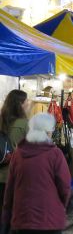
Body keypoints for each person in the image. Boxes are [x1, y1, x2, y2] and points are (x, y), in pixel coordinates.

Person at [2, 113, 71, 234]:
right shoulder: (55, 154)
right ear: (48, 132)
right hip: (49, 220)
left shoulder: (18, 154)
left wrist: (7, 215)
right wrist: (61, 206)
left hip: (22, 219)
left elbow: (10, 189)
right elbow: (65, 186)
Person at [0, 90, 30, 219]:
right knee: (14, 216)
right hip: (16, 176)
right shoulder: (25, 124)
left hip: (1, 174)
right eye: (26, 101)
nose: (29, 103)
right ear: (20, 104)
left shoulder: (1, 121)